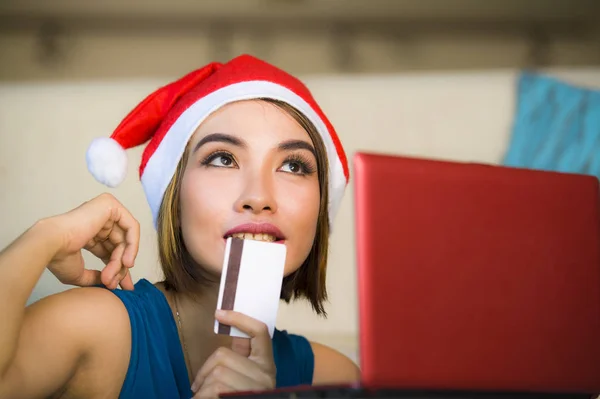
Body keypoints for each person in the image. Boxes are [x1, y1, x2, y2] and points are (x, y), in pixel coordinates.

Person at [0, 54, 359, 399]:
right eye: (223, 158)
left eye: (294, 166)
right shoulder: (92, 327)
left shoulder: (333, 379)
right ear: (174, 194)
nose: (259, 196)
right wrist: (46, 236)